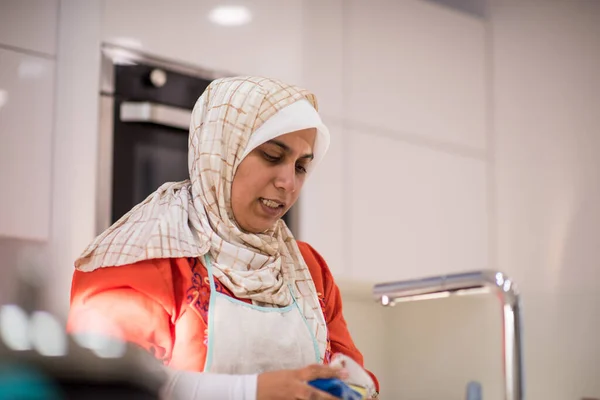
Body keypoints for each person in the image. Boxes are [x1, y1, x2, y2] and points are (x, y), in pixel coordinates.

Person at [68, 76, 379, 399]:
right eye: (272, 156)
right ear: (221, 154)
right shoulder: (138, 258)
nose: (288, 182)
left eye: (301, 167)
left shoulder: (308, 270)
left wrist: (354, 387)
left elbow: (353, 377)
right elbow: (110, 386)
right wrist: (249, 391)